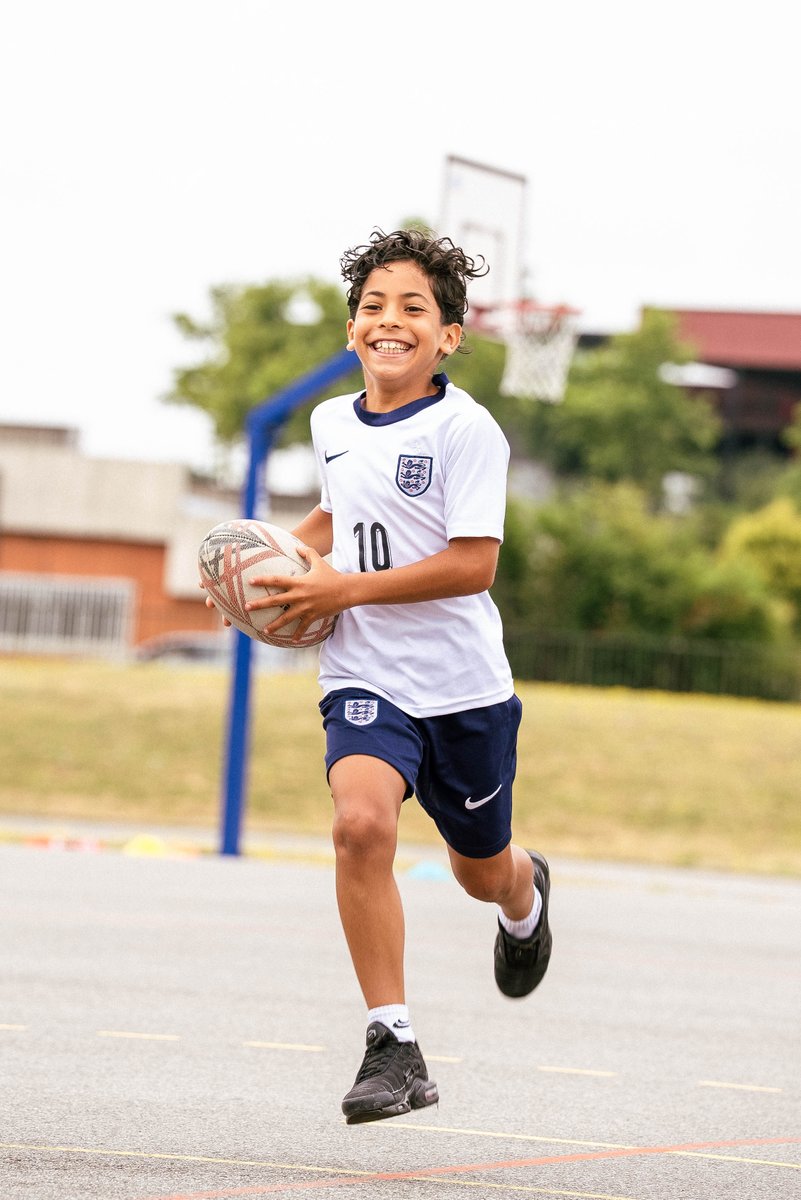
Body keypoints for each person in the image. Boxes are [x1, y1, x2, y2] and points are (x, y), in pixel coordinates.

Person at [210, 228, 552, 1124]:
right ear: (351, 327)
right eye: (372, 306)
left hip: (463, 690)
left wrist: (343, 587)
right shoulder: (331, 423)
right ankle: (392, 1045)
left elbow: (473, 564)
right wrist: (262, 571)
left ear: (447, 337)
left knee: (480, 872)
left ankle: (524, 897)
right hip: (364, 673)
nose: (388, 320)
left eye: (412, 308)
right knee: (359, 826)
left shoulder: (466, 431)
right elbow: (338, 510)